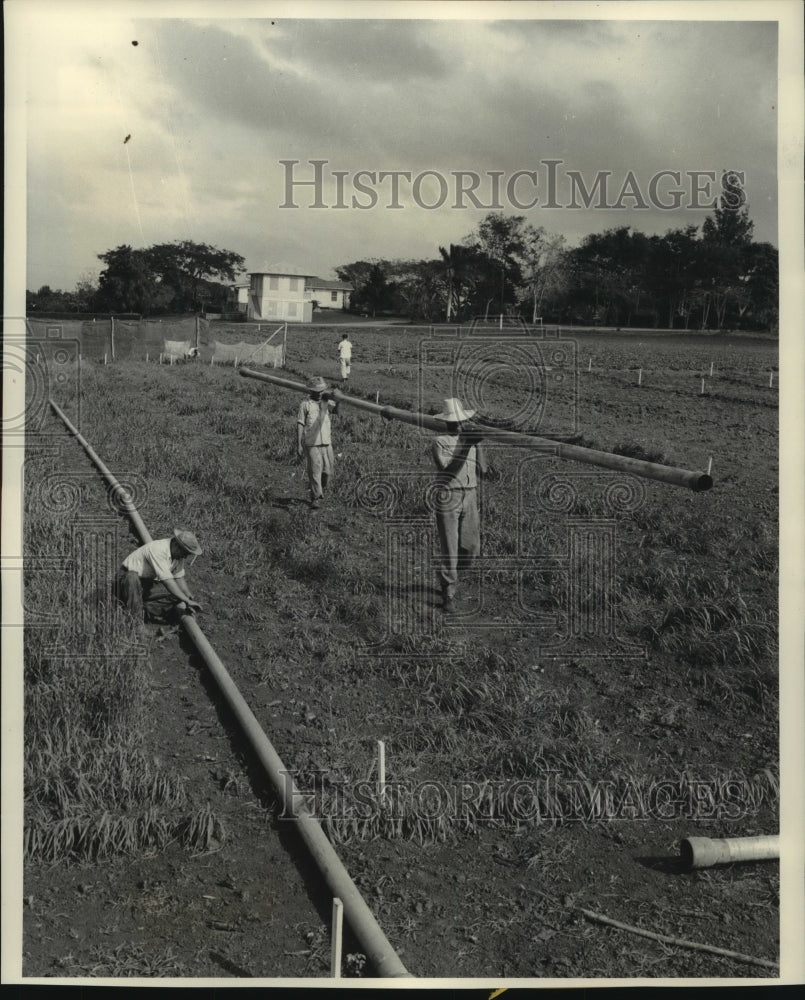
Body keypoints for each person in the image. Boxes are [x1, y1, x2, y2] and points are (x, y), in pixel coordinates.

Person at [431, 399, 487, 612]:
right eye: (454, 422)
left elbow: (483, 469)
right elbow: (449, 470)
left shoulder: (470, 441)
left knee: (472, 547)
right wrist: (465, 444)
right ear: (447, 423)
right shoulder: (440, 441)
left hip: (470, 494)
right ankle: (448, 592)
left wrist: (479, 443)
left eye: (461, 421)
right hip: (449, 495)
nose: (458, 425)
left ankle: (450, 576)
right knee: (450, 548)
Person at [116, 529, 203, 622]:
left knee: (178, 594)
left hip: (146, 584)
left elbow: (179, 577)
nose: (185, 557)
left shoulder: (178, 555)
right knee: (131, 577)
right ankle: (134, 619)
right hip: (126, 581)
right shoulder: (158, 549)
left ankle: (143, 610)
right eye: (185, 553)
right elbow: (167, 581)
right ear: (176, 545)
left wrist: (187, 595)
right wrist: (187, 601)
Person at [297, 375, 339, 510]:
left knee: (328, 471)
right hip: (311, 443)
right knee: (315, 471)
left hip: (326, 442)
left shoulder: (327, 403)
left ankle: (317, 488)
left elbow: (336, 411)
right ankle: (316, 497)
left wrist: (339, 400)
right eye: (318, 391)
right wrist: (299, 444)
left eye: (322, 390)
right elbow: (300, 424)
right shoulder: (305, 405)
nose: (321, 393)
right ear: (311, 391)